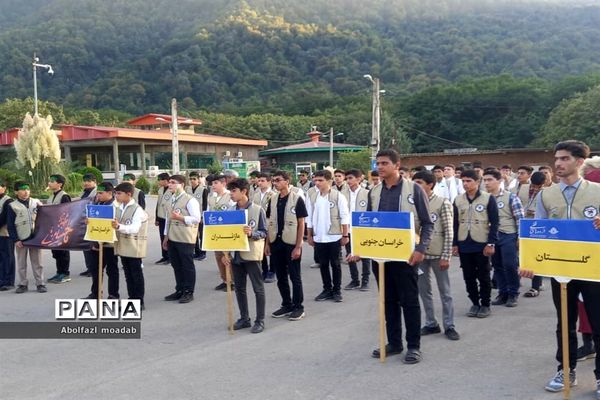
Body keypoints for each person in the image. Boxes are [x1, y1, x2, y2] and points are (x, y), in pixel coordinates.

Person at [520, 140, 600, 396]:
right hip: (560, 269)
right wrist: (530, 263)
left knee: (598, 322)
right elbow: (537, 232)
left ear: (579, 162)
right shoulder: (546, 194)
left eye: (564, 158)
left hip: (593, 268)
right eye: (557, 158)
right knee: (564, 322)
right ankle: (566, 370)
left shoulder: (597, 191)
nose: (558, 164)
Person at [354, 149, 433, 364]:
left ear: (397, 165)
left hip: (406, 256)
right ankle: (394, 343)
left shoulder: (414, 189)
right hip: (381, 257)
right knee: (387, 301)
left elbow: (427, 223)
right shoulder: (374, 192)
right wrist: (361, 248)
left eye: (384, 163)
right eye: (377, 163)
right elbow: (367, 223)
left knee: (409, 301)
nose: (379, 167)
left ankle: (414, 346)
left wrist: (421, 249)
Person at [412, 170, 459, 341]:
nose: (415, 186)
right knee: (424, 291)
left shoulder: (442, 203)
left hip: (439, 253)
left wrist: (446, 255)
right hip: (420, 254)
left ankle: (449, 325)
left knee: (445, 292)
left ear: (429, 185)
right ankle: (431, 323)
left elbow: (449, 231)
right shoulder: (413, 203)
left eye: (419, 183)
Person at [221, 178, 267, 333]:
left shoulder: (257, 209)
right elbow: (225, 234)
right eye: (230, 191)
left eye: (234, 191)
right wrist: (224, 254)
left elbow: (264, 232)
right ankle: (244, 318)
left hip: (251, 255)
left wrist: (252, 233)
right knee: (239, 288)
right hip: (235, 255)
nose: (231, 195)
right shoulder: (230, 211)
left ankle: (259, 320)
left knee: (257, 288)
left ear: (244, 191)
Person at [452, 169, 499, 319]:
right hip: (464, 242)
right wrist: (455, 244)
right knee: (468, 276)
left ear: (477, 182)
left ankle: (485, 304)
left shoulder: (488, 198)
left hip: (482, 243)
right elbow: (455, 223)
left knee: (484, 275)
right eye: (463, 181)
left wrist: (491, 243)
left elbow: (495, 222)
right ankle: (474, 302)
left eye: (468, 181)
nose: (465, 184)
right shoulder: (458, 200)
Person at [266, 170, 307, 321]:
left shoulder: (297, 199)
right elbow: (270, 221)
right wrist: (267, 244)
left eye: (278, 180)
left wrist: (298, 246)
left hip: (291, 243)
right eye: (274, 180)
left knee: (295, 276)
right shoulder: (273, 199)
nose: (275, 183)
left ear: (287, 181)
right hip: (276, 242)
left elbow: (301, 223)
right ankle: (287, 304)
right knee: (281, 276)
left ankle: (298, 307)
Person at [306, 169, 350, 303]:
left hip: (334, 236)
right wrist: (309, 235)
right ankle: (327, 289)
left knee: (335, 264)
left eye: (320, 180)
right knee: (323, 264)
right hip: (319, 236)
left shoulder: (338, 196)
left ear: (329, 181)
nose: (317, 183)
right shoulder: (312, 196)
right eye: (315, 180)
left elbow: (344, 217)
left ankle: (337, 290)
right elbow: (310, 217)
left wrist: (345, 235)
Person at [483, 169, 524, 308]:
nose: (486, 183)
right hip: (491, 237)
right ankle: (503, 292)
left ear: (499, 180)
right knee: (497, 266)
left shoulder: (511, 197)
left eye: (490, 180)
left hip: (508, 234)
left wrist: (520, 237)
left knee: (510, 265)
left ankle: (513, 293)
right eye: (485, 180)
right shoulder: (483, 198)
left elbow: (519, 218)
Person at [163, 175, 201, 304]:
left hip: (185, 237)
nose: (170, 185)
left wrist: (181, 218)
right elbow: (168, 219)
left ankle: (189, 291)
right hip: (173, 237)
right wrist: (165, 237)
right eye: (169, 183)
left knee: (187, 265)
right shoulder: (171, 199)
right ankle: (179, 289)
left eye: (173, 183)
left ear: (182, 185)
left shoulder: (190, 200)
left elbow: (197, 218)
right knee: (176, 265)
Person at [112, 183, 148, 309]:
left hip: (134, 245)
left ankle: (139, 301)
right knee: (128, 274)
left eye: (119, 193)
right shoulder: (119, 206)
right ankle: (131, 298)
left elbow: (135, 228)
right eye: (116, 193)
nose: (116, 196)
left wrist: (119, 227)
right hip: (123, 245)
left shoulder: (137, 209)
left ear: (129, 194)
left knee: (136, 273)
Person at [7, 181, 45, 293]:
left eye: (27, 189)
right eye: (23, 189)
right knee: (21, 263)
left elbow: (45, 217)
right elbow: (10, 225)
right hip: (21, 238)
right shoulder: (12, 206)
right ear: (16, 192)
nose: (26, 192)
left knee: (38, 262)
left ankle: (40, 283)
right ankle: (23, 284)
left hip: (35, 237)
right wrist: (16, 239)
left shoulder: (36, 202)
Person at [85, 182, 120, 300]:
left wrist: (102, 242)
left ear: (110, 193)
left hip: (109, 245)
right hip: (95, 244)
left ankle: (113, 294)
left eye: (101, 193)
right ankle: (95, 293)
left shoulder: (115, 206)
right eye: (97, 193)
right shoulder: (96, 204)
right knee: (96, 270)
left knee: (112, 270)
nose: (98, 195)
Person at [343, 169, 371, 291]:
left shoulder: (367, 193)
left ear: (359, 179)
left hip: (363, 229)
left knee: (365, 255)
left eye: (351, 178)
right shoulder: (342, 193)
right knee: (350, 255)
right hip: (348, 229)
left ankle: (365, 280)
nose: (348, 181)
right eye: (347, 178)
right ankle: (354, 280)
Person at [207, 174, 235, 291]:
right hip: (215, 232)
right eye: (212, 183)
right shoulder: (211, 198)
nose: (213, 185)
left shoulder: (230, 197)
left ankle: (232, 280)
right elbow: (208, 213)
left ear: (223, 184)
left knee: (227, 256)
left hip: (227, 232)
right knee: (219, 256)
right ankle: (224, 279)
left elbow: (235, 213)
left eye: (216, 183)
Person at [523, 171, 547, 298]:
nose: (535, 188)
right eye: (533, 185)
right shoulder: (523, 189)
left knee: (537, 257)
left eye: (538, 186)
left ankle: (535, 286)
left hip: (539, 228)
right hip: (524, 226)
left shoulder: (548, 193)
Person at [46, 174, 72, 284]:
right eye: (49, 181)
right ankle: (59, 272)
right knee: (56, 252)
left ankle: (65, 274)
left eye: (52, 181)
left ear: (60, 184)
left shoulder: (64, 196)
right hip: (53, 229)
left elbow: (67, 213)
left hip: (62, 229)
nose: (49, 183)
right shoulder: (51, 196)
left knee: (63, 252)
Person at [252, 172, 276, 282]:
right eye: (259, 181)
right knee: (261, 248)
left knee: (271, 248)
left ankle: (272, 271)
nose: (260, 183)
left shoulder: (274, 194)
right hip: (258, 224)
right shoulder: (255, 195)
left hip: (270, 224)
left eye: (262, 181)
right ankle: (264, 270)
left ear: (269, 182)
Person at [185, 171, 208, 261]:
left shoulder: (203, 190)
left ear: (198, 180)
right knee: (193, 235)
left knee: (202, 235)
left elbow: (205, 204)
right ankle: (197, 251)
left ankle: (203, 253)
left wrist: (203, 216)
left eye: (194, 179)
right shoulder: (187, 189)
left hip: (200, 216)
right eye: (190, 179)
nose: (192, 181)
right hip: (191, 216)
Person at [80, 173, 98, 277]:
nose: (86, 183)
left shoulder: (97, 193)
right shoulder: (85, 193)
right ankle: (89, 268)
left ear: (95, 182)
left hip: (94, 223)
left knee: (93, 247)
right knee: (86, 246)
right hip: (84, 222)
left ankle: (94, 269)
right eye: (85, 181)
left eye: (89, 181)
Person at [0, 181, 15, 291]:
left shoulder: (8, 201)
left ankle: (8, 281)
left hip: (6, 234)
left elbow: (4, 218)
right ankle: (2, 279)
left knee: (7, 257)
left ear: (4, 188)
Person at [154, 172, 171, 264]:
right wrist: (156, 217)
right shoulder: (160, 189)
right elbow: (158, 204)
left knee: (168, 237)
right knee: (162, 237)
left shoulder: (172, 189)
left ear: (165, 180)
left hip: (168, 217)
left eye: (159, 180)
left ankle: (170, 257)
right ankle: (164, 256)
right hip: (161, 217)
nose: (158, 182)